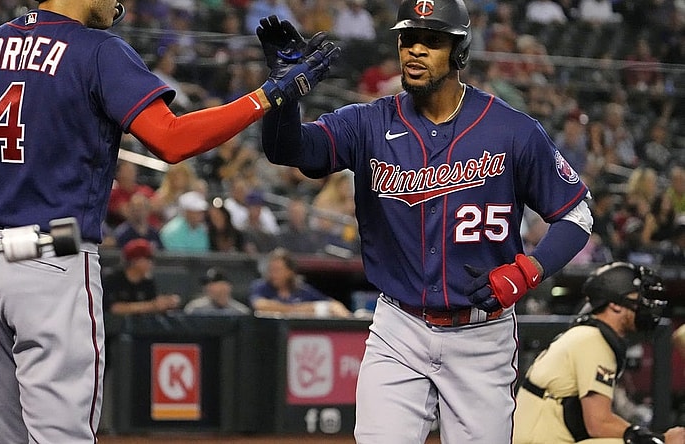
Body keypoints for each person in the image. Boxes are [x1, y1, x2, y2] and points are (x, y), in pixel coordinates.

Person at [0, 3, 338, 442]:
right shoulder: (97, 50)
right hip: (48, 260)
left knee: (8, 438)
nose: (120, 5)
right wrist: (267, 95)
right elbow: (170, 140)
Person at [256, 2, 593, 442]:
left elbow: (578, 213)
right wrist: (282, 97)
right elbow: (289, 150)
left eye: (432, 41)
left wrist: (530, 270)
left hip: (481, 335)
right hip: (400, 329)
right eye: (408, 39)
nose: (415, 50)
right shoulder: (369, 122)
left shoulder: (513, 130)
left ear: (459, 51)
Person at [514, 262, 685, 444]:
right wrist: (659, 439)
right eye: (638, 298)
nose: (647, 306)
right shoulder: (593, 341)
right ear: (615, 305)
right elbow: (598, 423)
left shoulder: (588, 334)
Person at [248, 247, 352, 318]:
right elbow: (260, 305)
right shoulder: (261, 287)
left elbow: (334, 305)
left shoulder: (301, 289)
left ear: (289, 272)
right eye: (271, 270)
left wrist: (348, 317)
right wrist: (300, 309)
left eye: (278, 270)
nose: (273, 274)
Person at [102, 238, 180, 316]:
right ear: (134, 261)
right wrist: (153, 305)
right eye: (148, 258)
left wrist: (165, 304)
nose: (151, 263)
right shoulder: (113, 278)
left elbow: (152, 307)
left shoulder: (147, 282)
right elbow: (114, 308)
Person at [184, 267, 252, 316]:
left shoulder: (240, 312)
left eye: (212, 284)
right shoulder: (196, 308)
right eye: (206, 284)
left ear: (226, 287)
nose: (207, 287)